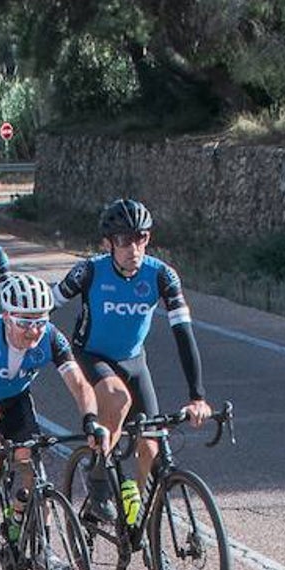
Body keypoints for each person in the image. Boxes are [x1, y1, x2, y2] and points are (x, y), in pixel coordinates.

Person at [54, 198, 212, 520]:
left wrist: (197, 397)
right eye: (124, 240)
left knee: (151, 450)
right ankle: (98, 481)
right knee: (116, 397)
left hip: (133, 360)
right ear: (108, 243)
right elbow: (47, 305)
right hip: (91, 354)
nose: (134, 248)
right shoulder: (89, 271)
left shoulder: (161, 276)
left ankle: (138, 522)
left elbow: (183, 332)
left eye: (141, 238)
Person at [0, 273, 108, 564]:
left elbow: (79, 384)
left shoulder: (51, 337)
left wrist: (90, 419)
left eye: (40, 322)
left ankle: (41, 547)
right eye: (25, 323)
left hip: (15, 403)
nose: (33, 331)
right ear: (6, 317)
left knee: (34, 474)